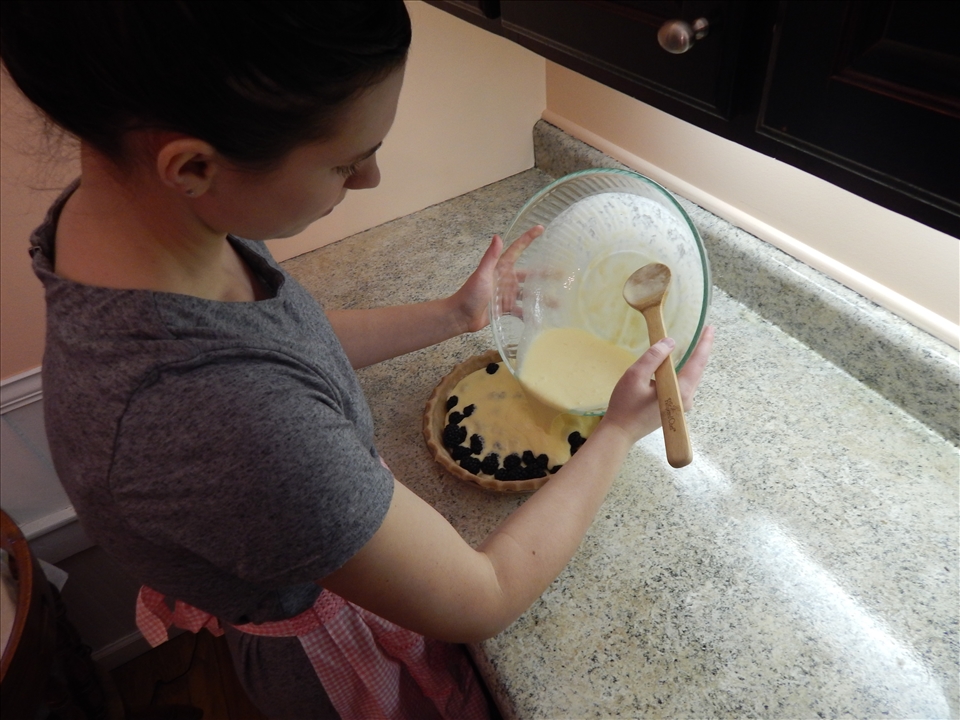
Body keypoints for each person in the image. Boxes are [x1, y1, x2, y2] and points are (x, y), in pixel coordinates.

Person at [1, 2, 715, 718]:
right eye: (346, 161)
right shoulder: (227, 425)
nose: (371, 176)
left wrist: (453, 315)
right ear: (192, 164)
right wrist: (617, 430)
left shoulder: (139, 221)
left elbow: (272, 343)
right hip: (331, 659)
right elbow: (482, 596)